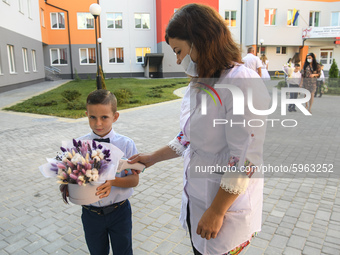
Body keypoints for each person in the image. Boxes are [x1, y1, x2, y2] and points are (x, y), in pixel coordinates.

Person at [129, 4, 270, 255]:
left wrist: (217, 210)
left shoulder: (241, 82)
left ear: (200, 41)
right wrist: (151, 159)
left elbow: (246, 160)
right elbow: (188, 137)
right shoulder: (200, 84)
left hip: (224, 208)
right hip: (199, 200)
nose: (178, 60)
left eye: (179, 51)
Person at [78, 89, 139, 255]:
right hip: (90, 214)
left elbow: (134, 181)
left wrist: (113, 182)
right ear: (86, 115)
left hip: (119, 212)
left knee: (124, 252)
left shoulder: (126, 144)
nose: (98, 123)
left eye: (104, 117)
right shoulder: (80, 145)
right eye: (92, 117)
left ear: (115, 116)